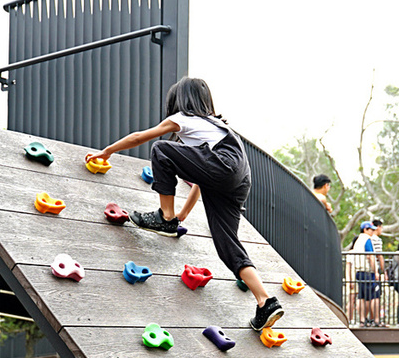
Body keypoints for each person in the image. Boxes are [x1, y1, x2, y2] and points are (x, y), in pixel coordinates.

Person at [86, 77, 283, 332]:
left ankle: (164, 218)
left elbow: (139, 137)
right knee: (227, 245)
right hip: (238, 179)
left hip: (224, 168)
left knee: (160, 149)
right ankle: (265, 301)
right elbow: (203, 179)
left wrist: (107, 151)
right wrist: (184, 213)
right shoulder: (218, 127)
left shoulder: (185, 118)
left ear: (179, 102)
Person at [350, 221, 384, 326]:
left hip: (358, 271)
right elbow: (370, 256)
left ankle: (362, 320)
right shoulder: (367, 240)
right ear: (365, 229)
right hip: (367, 271)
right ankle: (376, 320)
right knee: (375, 296)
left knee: (362, 296)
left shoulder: (358, 240)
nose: (373, 231)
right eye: (371, 229)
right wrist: (376, 271)